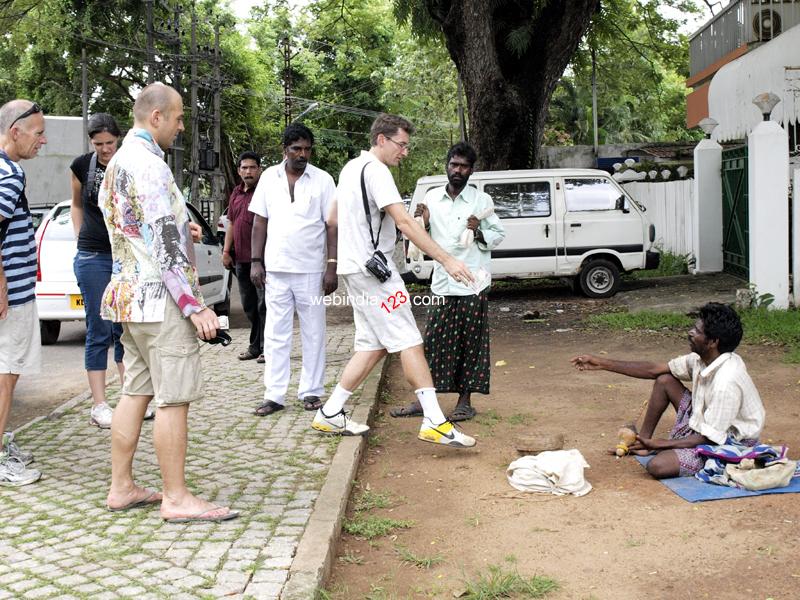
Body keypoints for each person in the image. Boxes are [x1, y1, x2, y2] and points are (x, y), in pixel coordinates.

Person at [100, 82, 237, 522]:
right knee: (173, 398)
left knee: (135, 390)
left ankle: (121, 487)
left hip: (127, 297)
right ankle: (176, 498)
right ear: (156, 117)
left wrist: (184, 226)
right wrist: (195, 305)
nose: (181, 127)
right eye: (178, 118)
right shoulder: (151, 166)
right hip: (161, 301)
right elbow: (161, 241)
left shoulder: (116, 162)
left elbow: (133, 227)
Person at [312, 113, 476, 448]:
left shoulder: (350, 169)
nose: (405, 152)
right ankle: (434, 421)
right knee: (409, 339)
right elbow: (404, 221)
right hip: (376, 275)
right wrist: (446, 259)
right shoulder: (377, 171)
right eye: (402, 144)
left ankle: (330, 412)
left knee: (373, 345)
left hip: (353, 269)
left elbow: (332, 217)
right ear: (382, 140)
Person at [571, 302, 765, 479]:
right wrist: (601, 363)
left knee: (659, 466)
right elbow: (654, 370)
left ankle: (651, 446)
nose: (690, 332)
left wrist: (660, 443)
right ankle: (643, 443)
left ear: (713, 342)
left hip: (728, 441)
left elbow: (710, 438)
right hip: (706, 423)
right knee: (665, 380)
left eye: (697, 330)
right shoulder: (700, 359)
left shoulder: (726, 382)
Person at [391, 142, 505, 422]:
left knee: (471, 343)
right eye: (454, 164)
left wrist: (478, 232)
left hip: (473, 283)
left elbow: (499, 234)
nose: (458, 170)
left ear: (471, 170)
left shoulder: (481, 201)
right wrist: (425, 222)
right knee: (432, 342)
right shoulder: (431, 198)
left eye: (464, 166)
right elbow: (421, 237)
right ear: (447, 165)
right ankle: (422, 400)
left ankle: (465, 401)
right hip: (441, 282)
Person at [70, 113, 155, 428]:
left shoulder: (132, 163)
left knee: (125, 330)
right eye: (98, 144)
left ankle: (129, 397)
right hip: (93, 257)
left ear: (119, 138)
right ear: (91, 142)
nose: (105, 149)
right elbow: (76, 204)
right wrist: (81, 238)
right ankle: (99, 405)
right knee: (98, 330)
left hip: (126, 257)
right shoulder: (81, 166)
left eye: (109, 142)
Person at [249, 123, 337, 416]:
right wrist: (256, 261)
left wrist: (331, 267)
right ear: (284, 150)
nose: (302, 154)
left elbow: (331, 225)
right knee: (276, 334)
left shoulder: (323, 180)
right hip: (276, 269)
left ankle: (311, 392)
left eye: (307, 149)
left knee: (314, 332)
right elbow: (260, 222)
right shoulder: (268, 179)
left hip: (312, 270)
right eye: (296, 149)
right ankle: (274, 395)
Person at [0, 99, 47, 486]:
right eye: (37, 133)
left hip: (12, 289)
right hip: (10, 294)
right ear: (15, 132)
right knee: (6, 373)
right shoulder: (10, 173)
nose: (42, 140)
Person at [222, 151, 266, 363]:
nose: (248, 171)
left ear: (259, 169)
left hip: (262, 259)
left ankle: (267, 348)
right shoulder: (236, 193)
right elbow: (230, 223)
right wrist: (225, 251)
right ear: (239, 170)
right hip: (241, 260)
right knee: (249, 305)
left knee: (264, 304)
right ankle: (255, 346)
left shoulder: (265, 192)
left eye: (252, 167)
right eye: (244, 168)